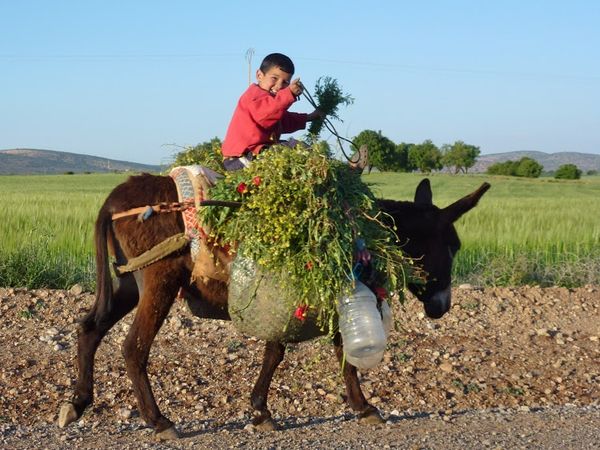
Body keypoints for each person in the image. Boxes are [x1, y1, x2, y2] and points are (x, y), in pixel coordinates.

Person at [221, 52, 323, 171]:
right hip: (240, 159)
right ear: (259, 75)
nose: (279, 85)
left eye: (285, 82)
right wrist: (289, 93)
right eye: (274, 78)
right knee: (296, 148)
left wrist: (310, 117)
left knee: (292, 148)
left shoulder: (271, 104)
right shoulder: (254, 96)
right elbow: (267, 113)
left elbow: (283, 120)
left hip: (257, 154)